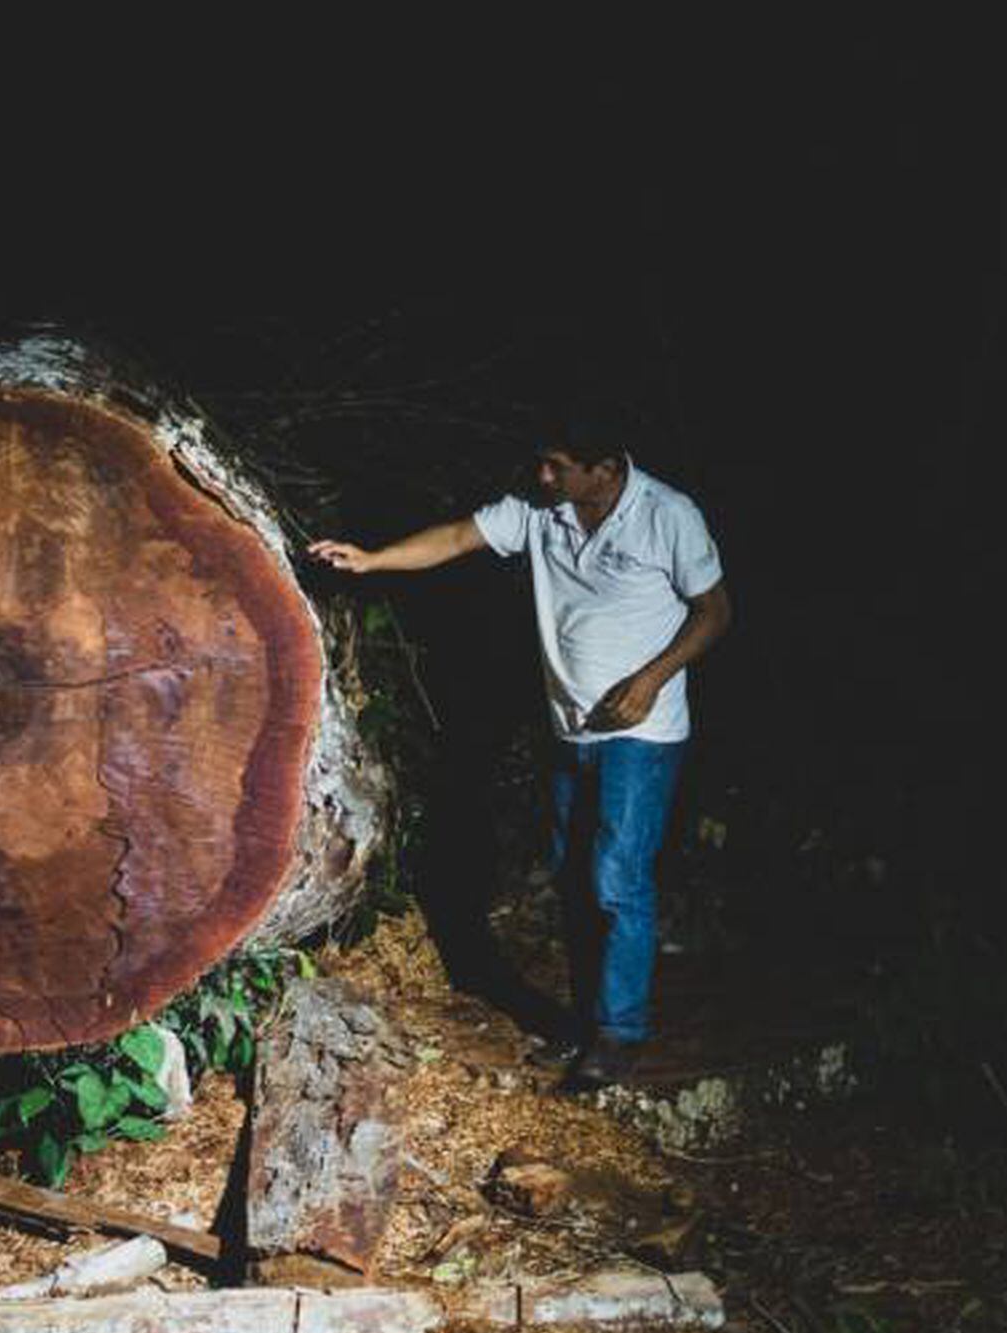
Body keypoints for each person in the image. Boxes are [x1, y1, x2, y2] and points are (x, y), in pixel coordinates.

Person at [308, 403, 731, 1087]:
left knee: (616, 878)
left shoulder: (667, 515)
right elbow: (454, 537)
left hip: (642, 734)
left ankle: (619, 1034)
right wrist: (373, 559)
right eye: (542, 461)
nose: (543, 474)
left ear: (606, 469)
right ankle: (585, 1023)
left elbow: (716, 612)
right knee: (572, 875)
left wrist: (653, 679)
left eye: (559, 466)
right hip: (571, 727)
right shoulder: (540, 509)